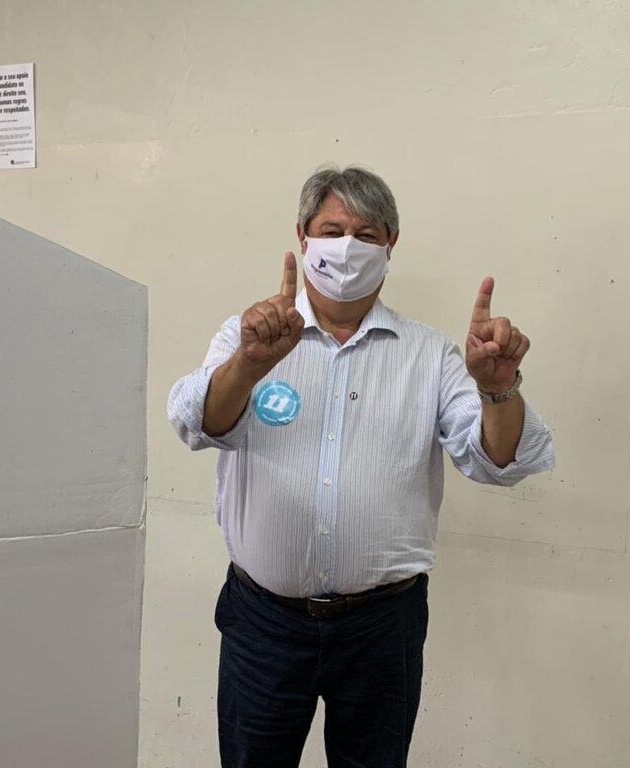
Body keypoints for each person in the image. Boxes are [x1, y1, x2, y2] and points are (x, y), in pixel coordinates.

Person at [167, 165, 555, 768]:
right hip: (264, 624)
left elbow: (496, 461)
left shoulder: (429, 354)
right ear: (303, 237)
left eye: (367, 235)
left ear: (390, 245)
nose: (347, 247)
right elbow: (198, 424)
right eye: (332, 230)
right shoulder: (249, 338)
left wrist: (497, 389)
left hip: (383, 627)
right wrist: (249, 364)